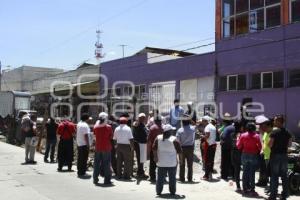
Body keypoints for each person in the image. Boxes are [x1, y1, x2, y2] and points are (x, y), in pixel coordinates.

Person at [153, 124, 182, 196]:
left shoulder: (158, 138)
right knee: (172, 178)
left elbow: (154, 148)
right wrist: (181, 160)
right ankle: (172, 192)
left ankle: (158, 191)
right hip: (172, 163)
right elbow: (180, 151)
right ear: (169, 131)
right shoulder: (174, 140)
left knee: (160, 178)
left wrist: (155, 157)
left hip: (161, 163)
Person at [268, 115, 292, 200]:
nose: (274, 122)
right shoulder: (288, 132)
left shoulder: (274, 132)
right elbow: (289, 145)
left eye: (275, 121)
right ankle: (285, 194)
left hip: (275, 155)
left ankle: (273, 196)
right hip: (284, 156)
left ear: (278, 121)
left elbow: (270, 144)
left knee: (274, 176)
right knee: (284, 175)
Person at [237, 122, 261, 196]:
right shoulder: (257, 136)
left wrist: (238, 139)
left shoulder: (243, 135)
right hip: (253, 155)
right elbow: (260, 147)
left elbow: (238, 146)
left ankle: (245, 189)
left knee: (245, 172)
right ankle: (252, 189)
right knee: (252, 173)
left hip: (244, 154)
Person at [93, 112, 113, 185]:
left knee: (97, 163)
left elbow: (94, 135)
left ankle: (95, 179)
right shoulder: (108, 127)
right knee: (106, 163)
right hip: (106, 147)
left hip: (98, 147)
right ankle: (107, 180)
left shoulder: (95, 127)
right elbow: (111, 137)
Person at [176, 115, 196, 182]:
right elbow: (195, 124)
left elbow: (177, 141)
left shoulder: (179, 130)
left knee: (182, 164)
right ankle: (190, 178)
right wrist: (190, 119)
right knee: (190, 165)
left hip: (182, 148)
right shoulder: (193, 129)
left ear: (182, 122)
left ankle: (182, 178)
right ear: (189, 122)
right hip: (190, 148)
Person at [147, 115, 164, 182]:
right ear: (160, 121)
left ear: (154, 121)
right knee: (162, 163)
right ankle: (162, 177)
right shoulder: (163, 128)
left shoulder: (152, 128)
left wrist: (148, 151)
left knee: (152, 163)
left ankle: (152, 177)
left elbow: (149, 140)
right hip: (162, 148)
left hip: (153, 148)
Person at [132, 113, 149, 178]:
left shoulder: (142, 124)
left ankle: (140, 171)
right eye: (142, 118)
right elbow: (135, 125)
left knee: (142, 159)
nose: (144, 119)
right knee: (140, 159)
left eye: (144, 118)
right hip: (139, 143)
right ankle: (140, 173)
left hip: (142, 143)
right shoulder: (137, 123)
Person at [201, 116, 217, 181]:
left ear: (205, 121)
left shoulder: (207, 127)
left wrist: (202, 136)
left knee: (207, 160)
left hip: (209, 145)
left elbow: (207, 136)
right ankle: (210, 174)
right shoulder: (213, 126)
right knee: (211, 160)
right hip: (213, 145)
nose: (202, 122)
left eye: (202, 121)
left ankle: (207, 175)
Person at [231, 121, 245, 192]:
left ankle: (238, 186)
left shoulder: (232, 134)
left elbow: (232, 145)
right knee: (245, 170)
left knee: (237, 170)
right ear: (241, 127)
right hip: (242, 153)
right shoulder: (243, 135)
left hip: (234, 153)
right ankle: (246, 186)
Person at [220, 113, 235, 180]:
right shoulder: (233, 127)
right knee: (232, 161)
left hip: (225, 147)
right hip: (233, 147)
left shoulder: (227, 128)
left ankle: (224, 175)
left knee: (225, 162)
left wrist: (222, 140)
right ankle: (233, 175)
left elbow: (224, 137)